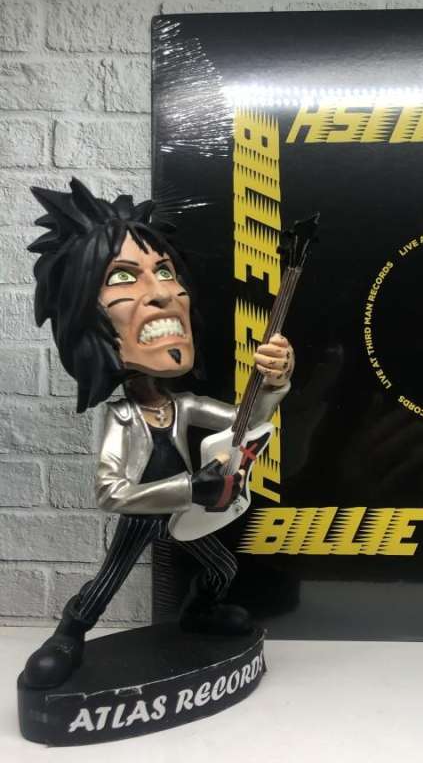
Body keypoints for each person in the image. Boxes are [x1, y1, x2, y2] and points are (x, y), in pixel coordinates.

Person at [22, 178, 294, 689]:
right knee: (108, 581)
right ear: (87, 319)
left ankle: (200, 609)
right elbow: (111, 492)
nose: (164, 292)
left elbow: (244, 419)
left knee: (221, 567)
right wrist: (191, 487)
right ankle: (69, 633)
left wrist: (274, 382)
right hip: (147, 514)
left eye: (165, 271)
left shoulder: (182, 405)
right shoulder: (123, 418)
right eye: (123, 277)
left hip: (188, 510)